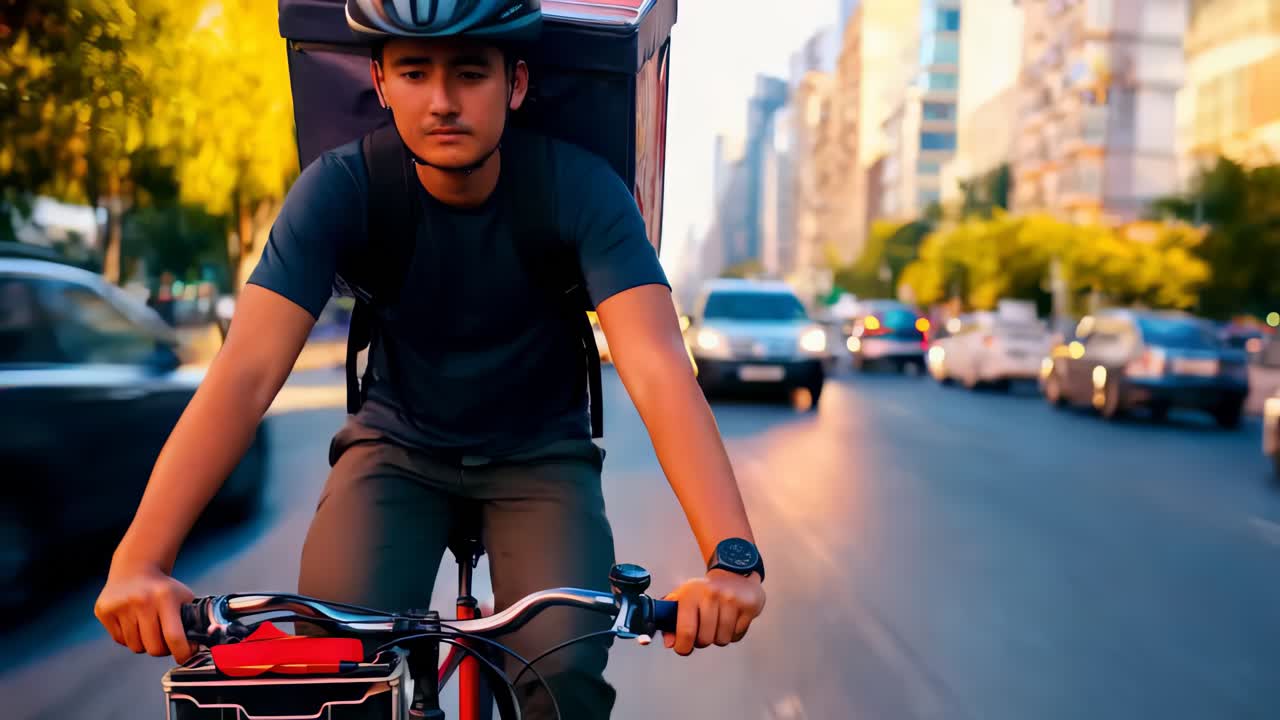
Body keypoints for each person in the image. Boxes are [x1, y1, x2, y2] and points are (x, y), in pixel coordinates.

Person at [93, 1, 766, 716]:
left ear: (516, 82)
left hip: (540, 457)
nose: (442, 102)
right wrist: (140, 560)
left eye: (470, 73)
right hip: (396, 448)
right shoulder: (339, 188)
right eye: (415, 72)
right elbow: (246, 373)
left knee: (562, 672)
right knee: (331, 668)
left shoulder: (583, 190)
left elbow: (658, 366)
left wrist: (732, 557)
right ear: (380, 81)